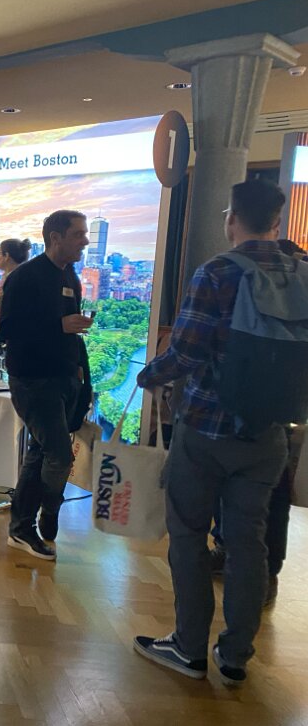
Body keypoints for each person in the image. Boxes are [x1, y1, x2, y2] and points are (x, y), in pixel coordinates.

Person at [133, 180, 297, 687]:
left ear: (231, 218)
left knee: (188, 535)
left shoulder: (217, 272)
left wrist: (149, 375)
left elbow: (186, 352)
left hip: (206, 427)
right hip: (270, 433)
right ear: (277, 220)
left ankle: (188, 647)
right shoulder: (301, 272)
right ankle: (236, 653)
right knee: (248, 542)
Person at [207, 237, 307, 605]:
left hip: (237, 412)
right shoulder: (297, 289)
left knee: (253, 498)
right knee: (266, 499)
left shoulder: (236, 278)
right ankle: (259, 570)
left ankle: (254, 567)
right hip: (281, 413)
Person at [0, 210, 92, 560]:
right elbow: (8, 329)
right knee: (59, 454)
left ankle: (21, 528)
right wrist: (59, 326)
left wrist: (80, 372)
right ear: (55, 237)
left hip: (64, 377)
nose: (85, 240)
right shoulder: (25, 277)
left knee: (40, 451)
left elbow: (69, 331)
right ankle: (48, 512)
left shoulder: (70, 275)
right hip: (33, 380)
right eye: (78, 234)